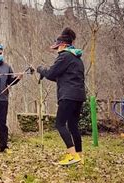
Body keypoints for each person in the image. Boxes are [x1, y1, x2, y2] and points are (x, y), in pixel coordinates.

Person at [36, 27, 86, 165]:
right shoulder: (77, 59)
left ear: (63, 45)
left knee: (60, 124)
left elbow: (52, 73)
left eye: (57, 47)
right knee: (73, 125)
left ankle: (72, 155)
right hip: (79, 96)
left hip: (68, 96)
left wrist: (41, 69)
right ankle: (80, 156)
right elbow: (60, 77)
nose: (57, 50)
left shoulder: (64, 56)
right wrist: (47, 74)